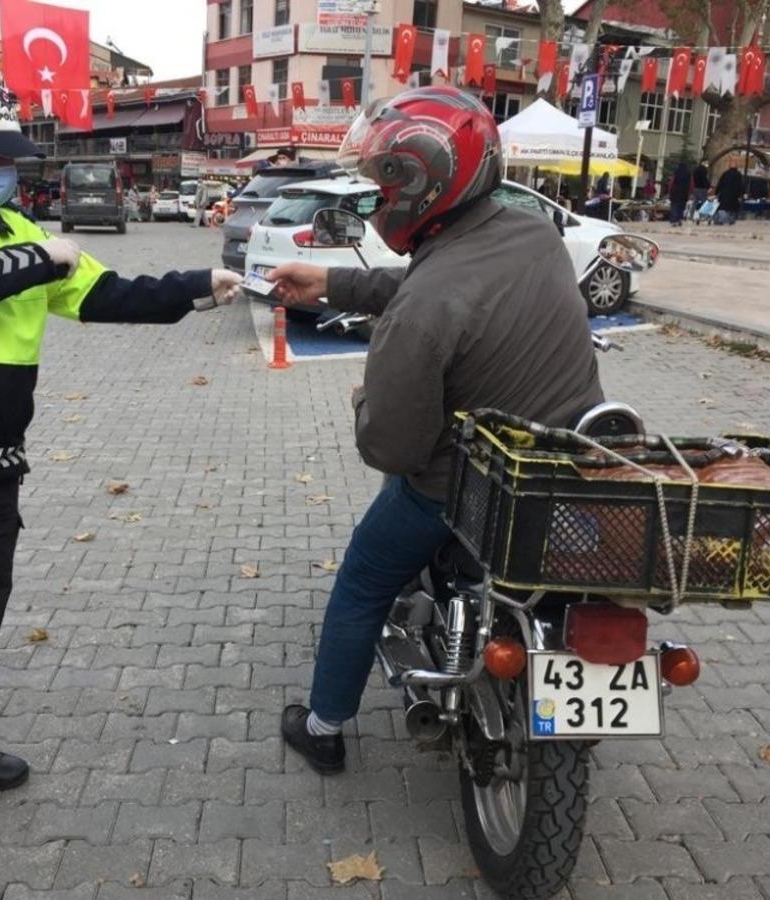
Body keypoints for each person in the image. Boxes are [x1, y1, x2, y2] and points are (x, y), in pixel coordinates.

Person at [0, 78, 241, 879]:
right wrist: (36, 258)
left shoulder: (14, 226)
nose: (7, 171)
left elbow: (102, 292)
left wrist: (197, 287)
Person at [265, 86, 604, 775]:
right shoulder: (534, 236)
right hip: (569, 464)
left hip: (464, 487)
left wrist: (368, 399)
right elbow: (439, 285)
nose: (374, 196)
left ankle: (324, 727)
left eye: (381, 181)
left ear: (419, 184)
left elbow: (392, 447)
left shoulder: (422, 311)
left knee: (361, 578)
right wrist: (329, 282)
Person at [668, 161, 691, 226]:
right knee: (681, 207)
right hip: (684, 192)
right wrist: (690, 193)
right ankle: (679, 219)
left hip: (675, 192)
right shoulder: (688, 173)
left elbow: (671, 182)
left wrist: (669, 191)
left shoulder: (676, 172)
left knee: (674, 206)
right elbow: (691, 184)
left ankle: (673, 220)